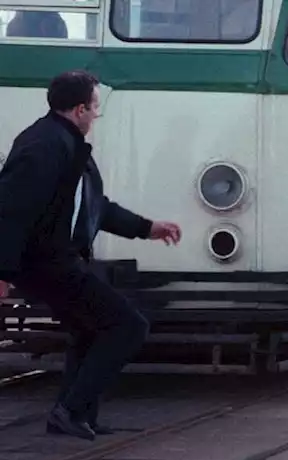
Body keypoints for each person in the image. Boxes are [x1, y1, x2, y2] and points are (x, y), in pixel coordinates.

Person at [0, 70, 182, 440]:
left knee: (89, 329)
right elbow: (10, 210)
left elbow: (95, 206)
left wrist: (147, 228)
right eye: (96, 107)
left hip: (57, 259)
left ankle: (77, 415)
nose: (98, 115)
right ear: (81, 109)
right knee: (127, 326)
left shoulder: (63, 141)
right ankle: (69, 410)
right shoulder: (44, 147)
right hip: (47, 262)